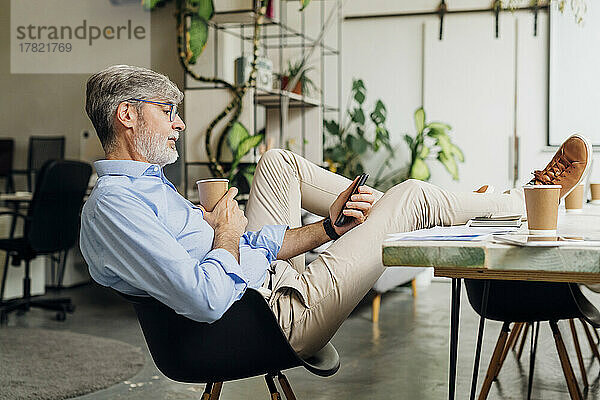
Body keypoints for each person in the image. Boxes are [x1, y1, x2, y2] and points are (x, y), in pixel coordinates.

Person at [80, 65, 590, 358]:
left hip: (264, 283)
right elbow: (207, 299)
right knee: (410, 197)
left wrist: (328, 228)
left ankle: (432, 208)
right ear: (127, 114)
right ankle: (526, 200)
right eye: (166, 110)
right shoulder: (115, 206)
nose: (178, 122)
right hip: (272, 317)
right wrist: (225, 241)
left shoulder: (149, 188)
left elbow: (255, 247)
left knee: (279, 162)